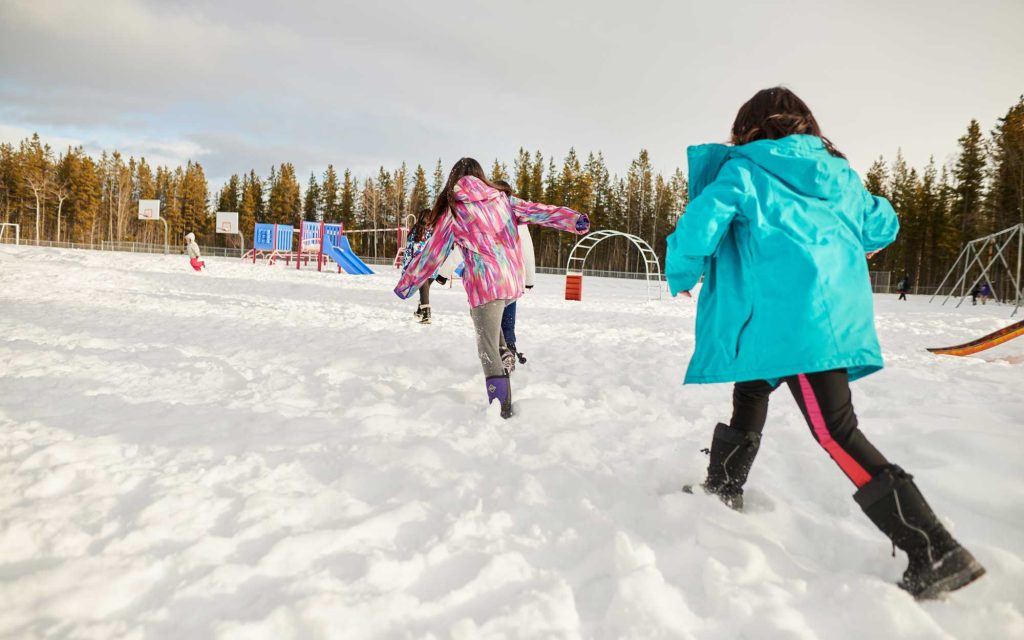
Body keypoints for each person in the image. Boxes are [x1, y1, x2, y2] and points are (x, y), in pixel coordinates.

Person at [665, 87, 984, 599]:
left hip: (795, 328)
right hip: (817, 319)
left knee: (835, 430)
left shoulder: (743, 171)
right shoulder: (840, 176)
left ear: (747, 129)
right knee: (751, 389)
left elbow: (698, 227)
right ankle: (723, 488)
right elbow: (882, 222)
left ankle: (934, 548)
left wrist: (681, 270)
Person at [395, 158, 589, 418]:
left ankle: (502, 411)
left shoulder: (454, 210)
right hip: (510, 282)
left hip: (485, 286)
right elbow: (538, 211)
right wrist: (573, 219)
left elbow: (432, 255)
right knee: (490, 327)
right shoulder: (502, 199)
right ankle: (504, 352)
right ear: (480, 176)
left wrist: (407, 285)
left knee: (485, 347)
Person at [493, 180, 536, 371]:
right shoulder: (517, 216)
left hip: (490, 281)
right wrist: (529, 280)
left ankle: (498, 355)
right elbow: (527, 249)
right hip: (511, 279)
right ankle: (508, 349)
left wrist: (444, 272)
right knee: (507, 321)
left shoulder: (484, 215)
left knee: (490, 322)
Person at [401, 208, 436, 324]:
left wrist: (406, 267)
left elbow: (411, 250)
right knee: (424, 289)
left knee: (423, 288)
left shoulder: (417, 230)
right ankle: (420, 311)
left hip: (420, 266)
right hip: (433, 266)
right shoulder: (434, 231)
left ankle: (426, 315)